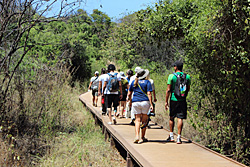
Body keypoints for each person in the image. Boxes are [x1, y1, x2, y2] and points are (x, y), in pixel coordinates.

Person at [165, 61, 191, 144]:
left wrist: (166, 101)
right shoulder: (187, 76)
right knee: (180, 118)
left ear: (175, 67)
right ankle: (179, 138)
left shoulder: (171, 76)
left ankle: (171, 136)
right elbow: (188, 88)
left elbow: (168, 89)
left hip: (173, 99)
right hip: (182, 100)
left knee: (172, 117)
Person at [127, 69, 153, 144]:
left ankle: (136, 136)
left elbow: (129, 94)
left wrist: (130, 101)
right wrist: (151, 104)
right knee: (144, 120)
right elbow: (149, 93)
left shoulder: (134, 82)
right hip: (145, 102)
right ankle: (143, 137)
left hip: (136, 102)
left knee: (137, 120)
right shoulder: (147, 82)